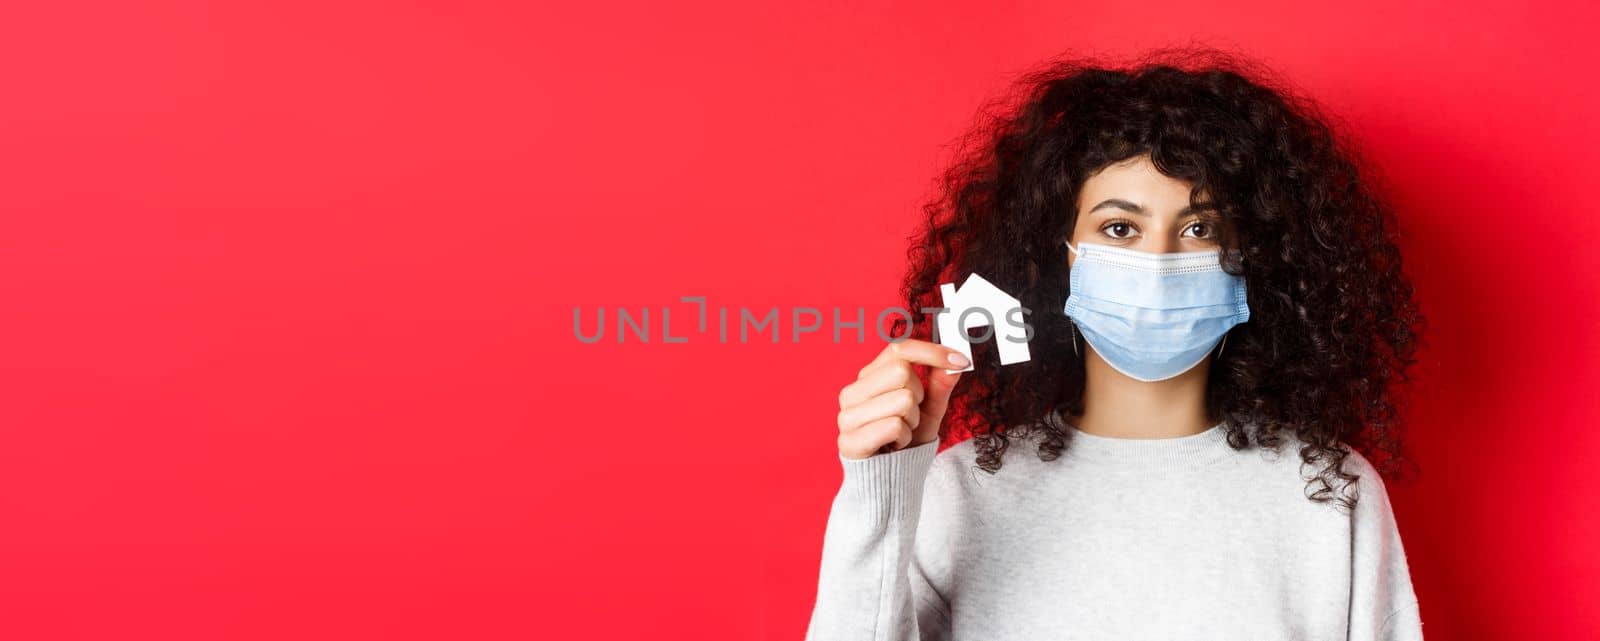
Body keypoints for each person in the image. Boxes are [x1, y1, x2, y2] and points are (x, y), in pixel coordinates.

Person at [806, 49, 1427, 640]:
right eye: (1120, 227)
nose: (1157, 260)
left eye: (1199, 227)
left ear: (1250, 257)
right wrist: (882, 489)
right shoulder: (962, 492)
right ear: (1062, 255)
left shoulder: (1326, 490)